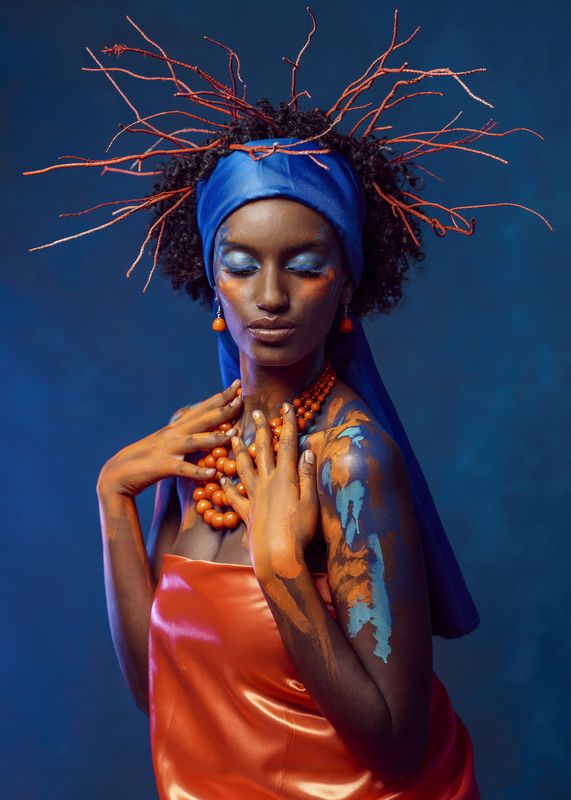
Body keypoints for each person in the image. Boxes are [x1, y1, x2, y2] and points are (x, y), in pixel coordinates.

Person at [26, 9, 550, 799]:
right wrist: (113, 502)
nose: (269, 298)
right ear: (211, 281)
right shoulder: (194, 444)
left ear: (345, 284)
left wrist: (282, 571)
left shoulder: (351, 461)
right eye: (241, 266)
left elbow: (400, 751)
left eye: (304, 266)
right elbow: (157, 692)